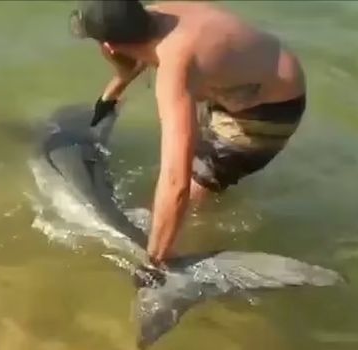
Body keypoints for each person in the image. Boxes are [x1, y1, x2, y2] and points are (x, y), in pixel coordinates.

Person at [70, 0, 306, 266]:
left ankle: (199, 251)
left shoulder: (175, 66)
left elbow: (175, 182)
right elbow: (142, 54)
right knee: (195, 173)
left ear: (108, 47)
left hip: (270, 112)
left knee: (190, 191)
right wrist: (110, 96)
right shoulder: (158, 14)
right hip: (251, 79)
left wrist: (154, 262)